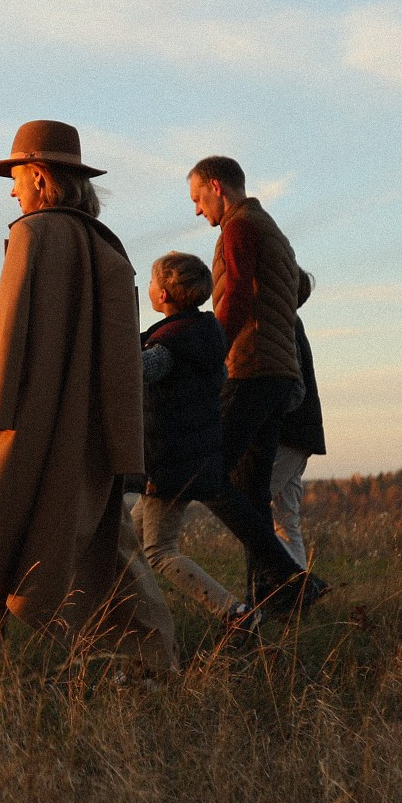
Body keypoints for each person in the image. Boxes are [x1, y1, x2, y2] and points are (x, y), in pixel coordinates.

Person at [0, 120, 177, 692]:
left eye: (17, 176)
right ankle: (151, 665)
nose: (12, 189)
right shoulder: (107, 248)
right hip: (87, 432)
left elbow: (9, 331)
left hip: (25, 424)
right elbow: (124, 358)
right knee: (101, 546)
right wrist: (121, 440)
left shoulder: (33, 234)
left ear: (41, 177)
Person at [186, 155, 328, 613]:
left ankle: (289, 579)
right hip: (281, 378)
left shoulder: (239, 227)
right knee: (249, 491)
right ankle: (265, 600)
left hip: (250, 370)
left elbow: (240, 293)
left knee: (204, 473)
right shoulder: (274, 232)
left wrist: (210, 350)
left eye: (197, 198)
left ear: (216, 186)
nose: (197, 210)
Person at [131, 251, 264, 638]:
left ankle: (237, 613)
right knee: (129, 545)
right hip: (187, 458)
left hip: (169, 461)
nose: (150, 289)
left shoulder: (171, 344)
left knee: (158, 551)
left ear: (166, 294)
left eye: (154, 282)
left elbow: (137, 371)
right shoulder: (204, 336)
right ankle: (131, 622)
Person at [270, 271, 324, 568]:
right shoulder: (293, 324)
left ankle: (284, 586)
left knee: (248, 507)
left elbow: (292, 386)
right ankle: (299, 590)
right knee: (285, 519)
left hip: (286, 434)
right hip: (300, 434)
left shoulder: (282, 326)